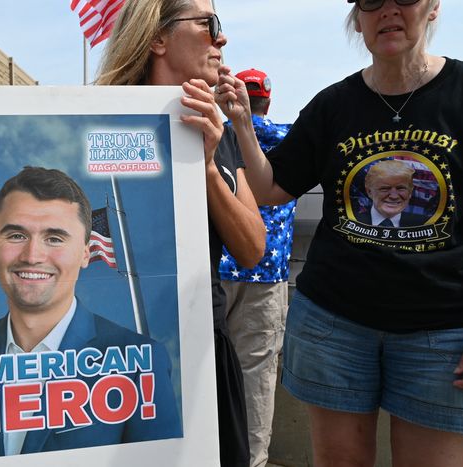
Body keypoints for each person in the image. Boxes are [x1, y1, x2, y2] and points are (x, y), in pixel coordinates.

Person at [215, 1, 463, 465]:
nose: (388, 11)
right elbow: (270, 187)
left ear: (432, 8)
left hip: (444, 333)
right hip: (334, 325)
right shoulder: (333, 105)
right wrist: (240, 124)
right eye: (371, 2)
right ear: (358, 17)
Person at [98, 2, 266, 466]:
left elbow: (252, 248)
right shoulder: (98, 124)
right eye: (208, 25)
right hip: (114, 361)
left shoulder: (216, 129)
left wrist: (207, 166)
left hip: (203, 348)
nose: (221, 39)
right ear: (158, 38)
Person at [0, 166, 181, 463]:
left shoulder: (139, 361)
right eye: (16, 235)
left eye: (55, 238)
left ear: (85, 253)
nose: (32, 255)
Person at [218, 68, 294, 467]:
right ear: (267, 98)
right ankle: (254, 460)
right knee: (256, 378)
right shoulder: (288, 139)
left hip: (214, 272)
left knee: (208, 373)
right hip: (266, 278)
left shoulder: (217, 139)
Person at [355, 159, 426, 227]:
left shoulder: (425, 224)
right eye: (385, 189)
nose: (394, 196)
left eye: (400, 188)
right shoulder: (353, 222)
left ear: (410, 192)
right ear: (369, 192)